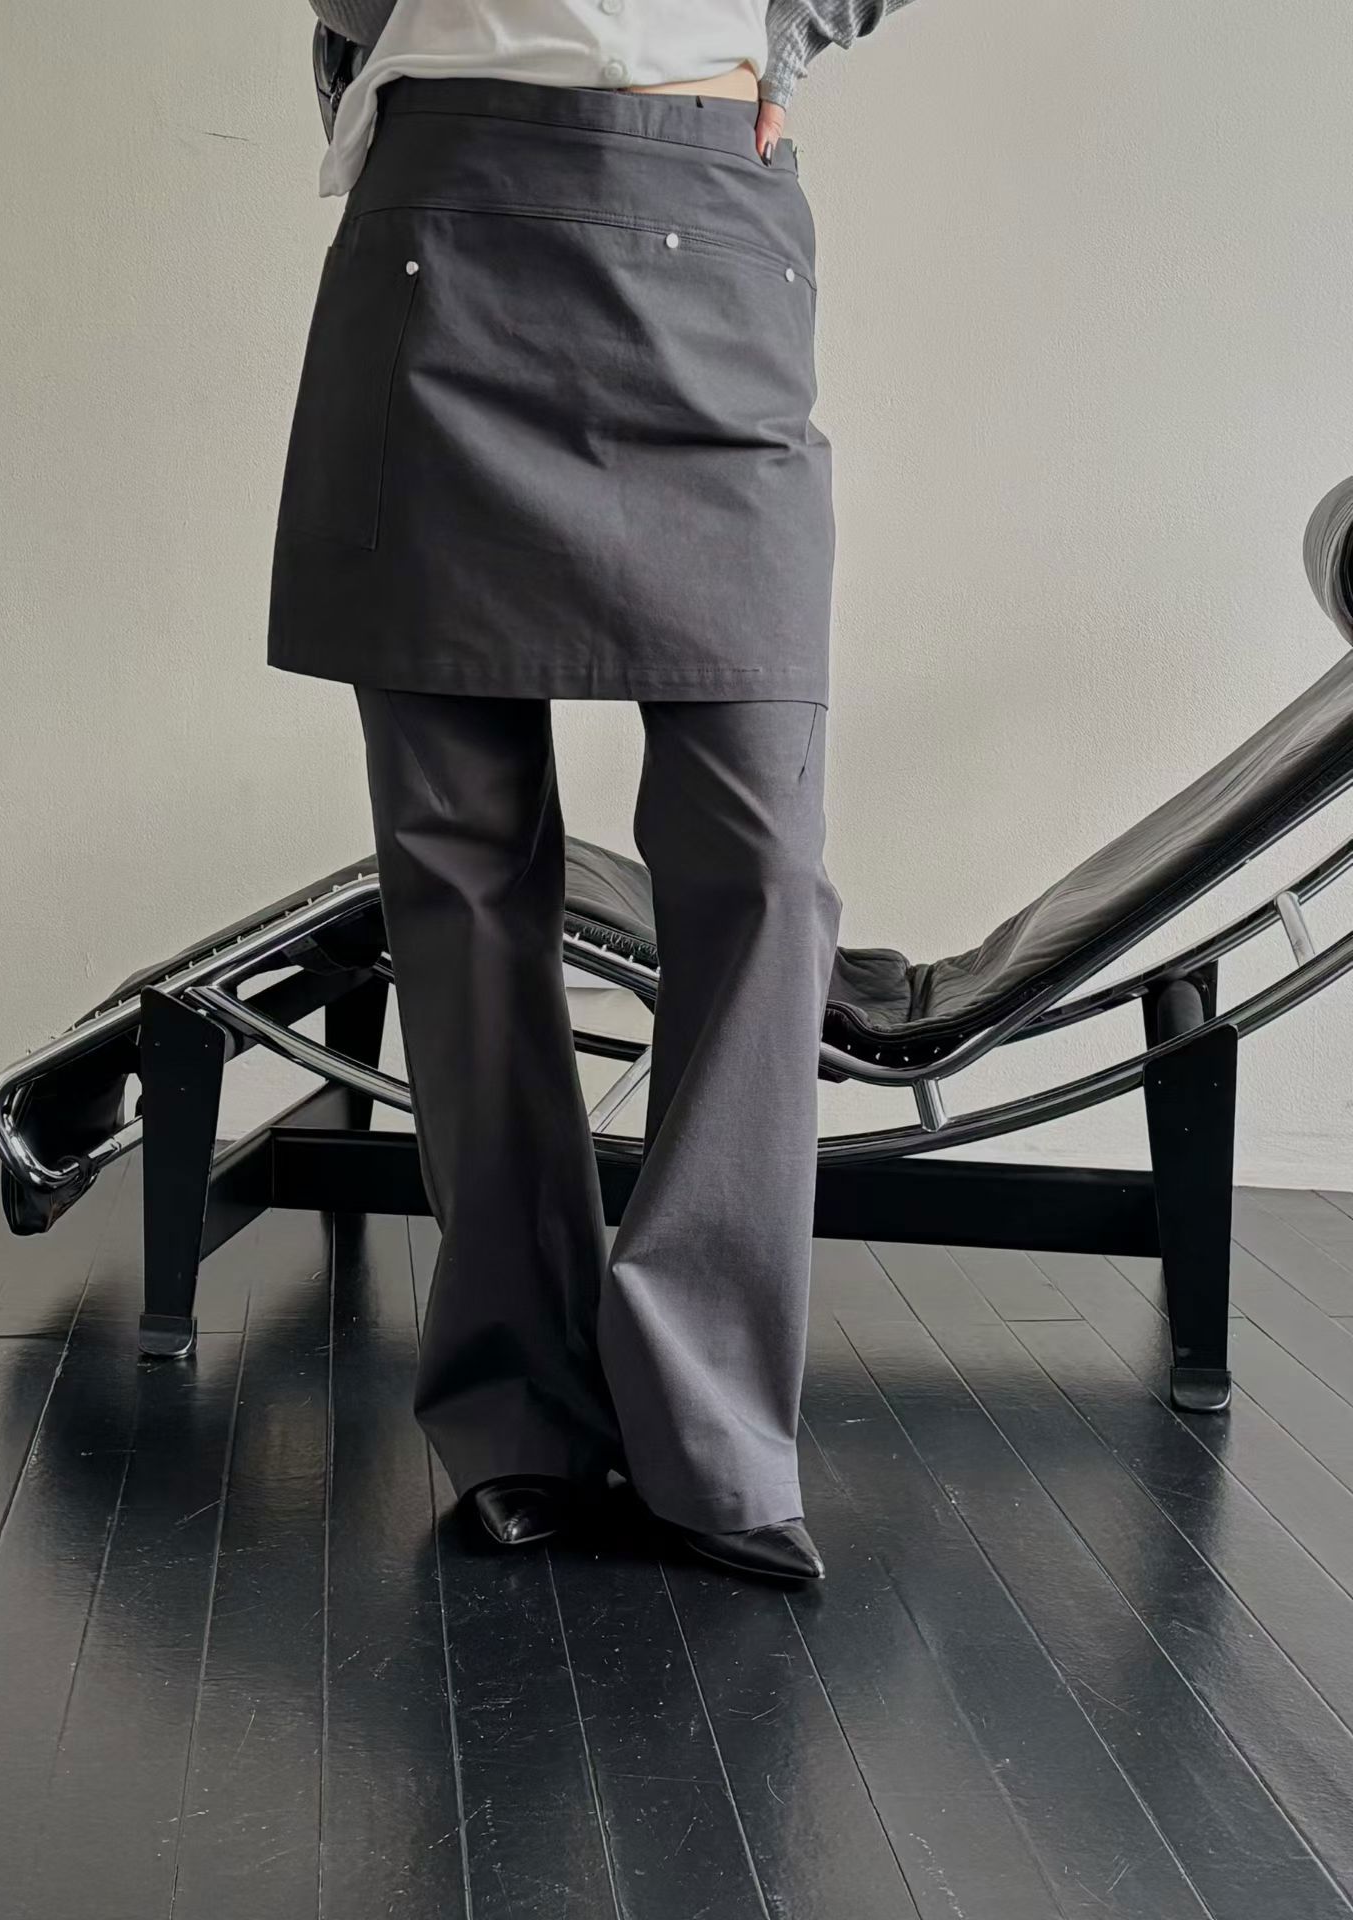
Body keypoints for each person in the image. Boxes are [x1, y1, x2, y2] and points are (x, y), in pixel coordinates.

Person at [269, 0, 915, 1584]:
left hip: (707, 210)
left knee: (761, 871)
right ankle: (519, 1418)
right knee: (460, 871)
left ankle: (712, 1428)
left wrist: (789, 32)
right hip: (445, 225)